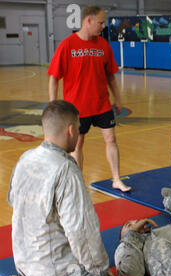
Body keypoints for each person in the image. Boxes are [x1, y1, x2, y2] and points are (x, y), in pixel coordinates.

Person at [5, 100, 129, 276]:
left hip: (23, 263)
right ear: (70, 130)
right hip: (55, 273)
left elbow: (14, 201)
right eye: (79, 128)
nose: (80, 132)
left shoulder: (25, 159)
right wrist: (99, 271)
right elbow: (82, 231)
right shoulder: (66, 169)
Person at [48, 5, 131, 192]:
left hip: (101, 104)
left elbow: (110, 76)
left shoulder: (103, 46)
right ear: (88, 21)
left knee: (111, 139)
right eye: (100, 22)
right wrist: (54, 104)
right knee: (78, 145)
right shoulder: (67, 45)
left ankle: (116, 179)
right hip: (77, 107)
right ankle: (78, 184)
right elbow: (54, 77)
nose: (103, 26)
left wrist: (117, 99)